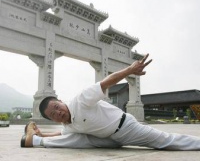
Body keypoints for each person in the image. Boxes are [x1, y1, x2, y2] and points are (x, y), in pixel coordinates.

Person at [21, 54, 200, 150]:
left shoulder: (80, 100)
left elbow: (106, 82)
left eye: (56, 107)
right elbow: (63, 135)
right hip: (108, 139)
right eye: (54, 115)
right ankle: (35, 141)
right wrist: (43, 135)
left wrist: (130, 69)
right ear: (53, 120)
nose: (58, 113)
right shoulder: (68, 125)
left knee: (164, 141)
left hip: (125, 127)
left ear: (60, 101)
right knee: (75, 138)